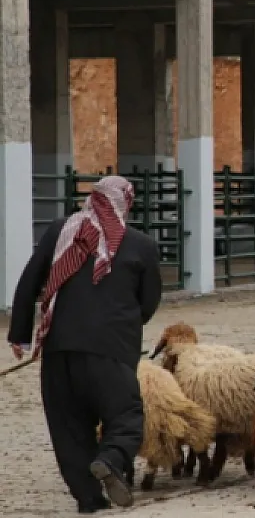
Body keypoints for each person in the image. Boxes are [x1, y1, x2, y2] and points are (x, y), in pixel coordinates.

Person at [6, 176, 163, 514]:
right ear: (125, 203)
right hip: (110, 352)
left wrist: (19, 333)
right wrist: (126, 324)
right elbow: (148, 303)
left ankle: (89, 500)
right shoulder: (140, 245)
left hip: (59, 349)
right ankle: (110, 459)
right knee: (127, 416)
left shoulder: (62, 232)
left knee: (69, 427)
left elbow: (29, 280)